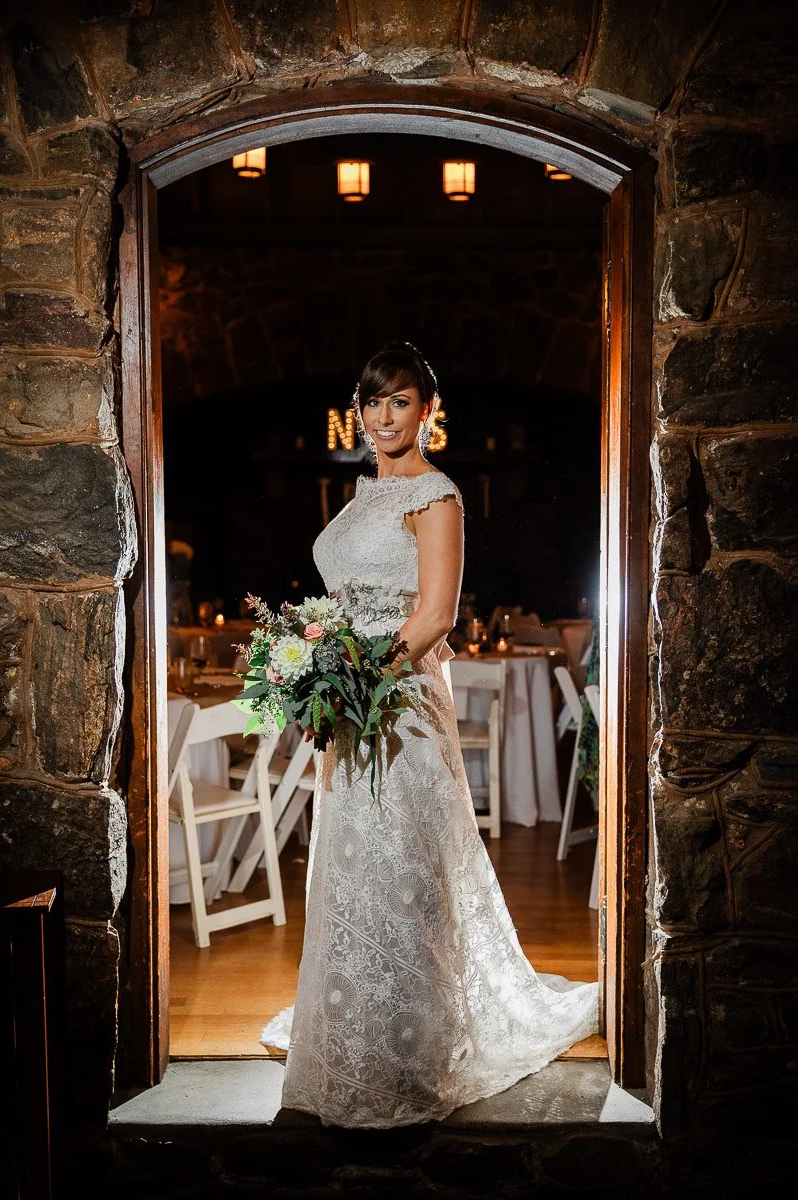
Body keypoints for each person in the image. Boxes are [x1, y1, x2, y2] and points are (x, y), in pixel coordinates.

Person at [262, 341, 598, 1127]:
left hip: (399, 709)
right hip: (352, 714)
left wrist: (355, 682)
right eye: (372, 402)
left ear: (427, 411)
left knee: (405, 868)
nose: (383, 417)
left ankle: (412, 1047)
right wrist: (317, 668)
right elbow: (344, 602)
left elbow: (436, 616)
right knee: (352, 870)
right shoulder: (360, 491)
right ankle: (354, 1027)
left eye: (400, 402)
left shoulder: (435, 493)